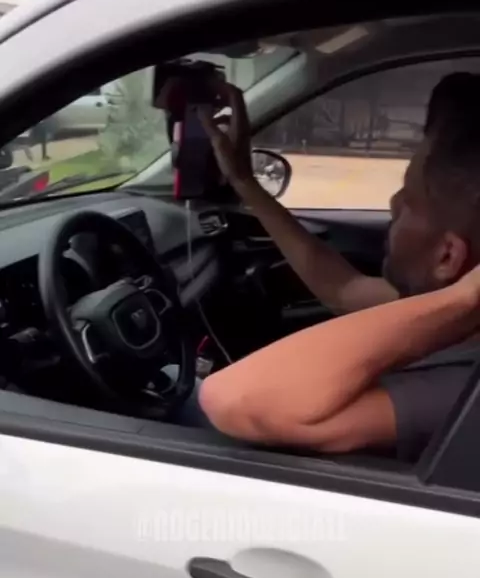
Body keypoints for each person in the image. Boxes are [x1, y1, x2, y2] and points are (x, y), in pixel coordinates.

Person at [177, 74, 480, 462]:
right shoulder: (447, 312)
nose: (392, 203)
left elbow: (232, 398)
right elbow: (342, 288)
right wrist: (244, 180)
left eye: (409, 200)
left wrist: (467, 297)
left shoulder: (462, 385)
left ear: (447, 257)